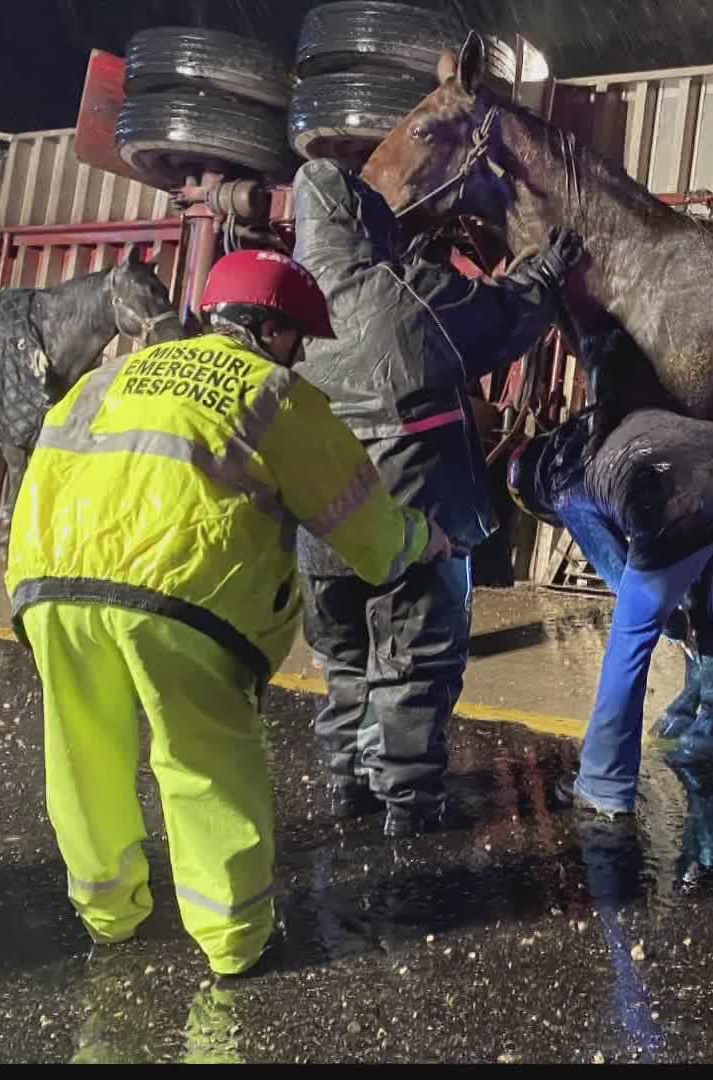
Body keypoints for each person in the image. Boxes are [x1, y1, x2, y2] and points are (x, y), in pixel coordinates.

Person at [4, 249, 453, 977]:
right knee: (203, 761)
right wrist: (420, 538)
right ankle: (233, 940)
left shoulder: (108, 376)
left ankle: (109, 917)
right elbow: (363, 530)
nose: (300, 354)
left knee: (83, 755)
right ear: (272, 332)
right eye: (298, 338)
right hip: (179, 597)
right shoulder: (271, 392)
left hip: (50, 586)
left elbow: (41, 473)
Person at [290, 157, 582, 835]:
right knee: (413, 665)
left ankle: (347, 784)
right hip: (416, 518)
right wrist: (544, 272)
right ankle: (409, 805)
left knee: (344, 662)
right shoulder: (403, 292)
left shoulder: (287, 303)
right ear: (365, 220)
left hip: (321, 533)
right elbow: (501, 320)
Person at [507, 387, 713, 821]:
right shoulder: (601, 425)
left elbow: (622, 576)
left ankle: (603, 783)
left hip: (682, 494)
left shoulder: (564, 488)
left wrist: (675, 624)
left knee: (631, 638)